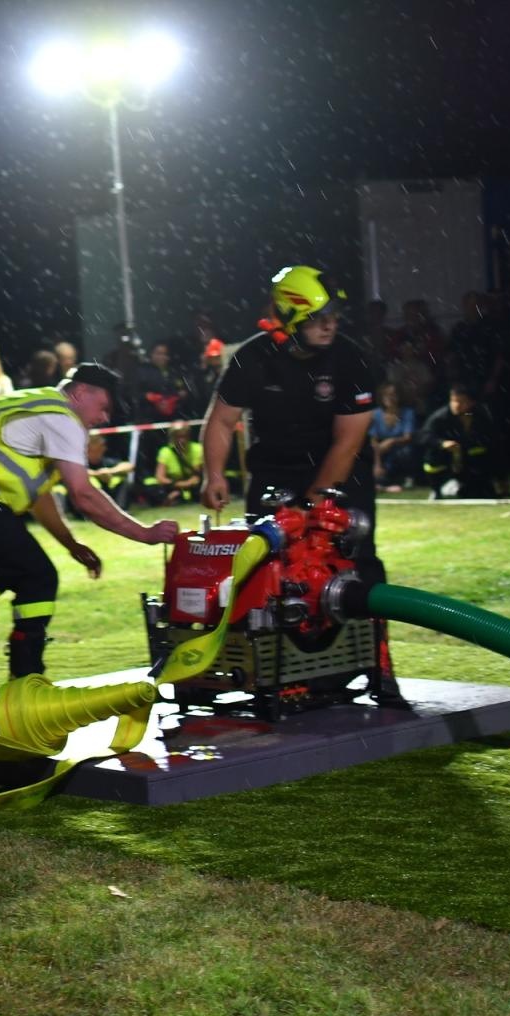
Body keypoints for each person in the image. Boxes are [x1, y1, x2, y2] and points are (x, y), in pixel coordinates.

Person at [0, 363, 178, 689]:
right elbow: (83, 494)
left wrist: (72, 546)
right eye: (104, 407)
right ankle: (26, 676)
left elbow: (40, 497)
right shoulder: (62, 418)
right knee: (39, 577)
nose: (104, 418)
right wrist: (144, 533)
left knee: (2, 573)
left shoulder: (39, 406)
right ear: (81, 392)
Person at [199, 264, 406, 705]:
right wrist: (213, 475)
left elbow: (348, 442)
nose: (330, 325)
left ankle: (379, 667)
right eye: (318, 317)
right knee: (268, 573)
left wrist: (314, 506)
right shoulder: (252, 358)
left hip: (340, 477)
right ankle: (282, 677)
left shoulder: (352, 358)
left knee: (356, 568)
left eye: (333, 316)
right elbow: (220, 420)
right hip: (273, 475)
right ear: (290, 316)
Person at [419, 384, 495, 499]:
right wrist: (442, 443)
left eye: (461, 401)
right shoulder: (440, 417)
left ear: (471, 403)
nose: (456, 405)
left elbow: (494, 443)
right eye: (453, 401)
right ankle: (437, 489)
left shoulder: (480, 416)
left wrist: (501, 478)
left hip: (468, 461)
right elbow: (423, 436)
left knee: (483, 491)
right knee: (433, 457)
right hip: (446, 460)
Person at [368, 382, 419, 491]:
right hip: (381, 453)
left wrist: (391, 441)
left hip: (401, 451)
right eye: (386, 395)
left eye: (393, 394)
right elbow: (373, 440)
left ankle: (407, 478)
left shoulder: (408, 412)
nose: (390, 398)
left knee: (407, 451)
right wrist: (377, 464)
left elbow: (408, 437)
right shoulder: (375, 414)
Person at [148, 421, 203, 505]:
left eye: (184, 436)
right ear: (172, 437)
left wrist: (186, 484)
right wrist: (178, 484)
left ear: (189, 436)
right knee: (152, 488)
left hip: (192, 484)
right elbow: (160, 477)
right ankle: (174, 497)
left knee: (201, 485)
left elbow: (196, 476)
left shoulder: (197, 449)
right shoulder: (165, 452)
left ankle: (177, 497)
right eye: (178, 436)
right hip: (173, 484)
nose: (181, 440)